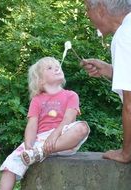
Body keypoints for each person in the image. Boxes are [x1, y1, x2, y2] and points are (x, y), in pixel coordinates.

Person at [0, 57, 90, 190]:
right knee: (9, 166)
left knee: (82, 127)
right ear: (40, 81)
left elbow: (68, 120)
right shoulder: (37, 100)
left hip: (62, 139)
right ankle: (36, 153)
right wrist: (29, 144)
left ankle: (40, 152)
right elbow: (32, 124)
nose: (56, 68)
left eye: (57, 66)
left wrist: (54, 136)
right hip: (39, 140)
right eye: (49, 68)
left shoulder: (71, 95)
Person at [81, 0, 131, 163]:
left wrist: (126, 153)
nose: (87, 15)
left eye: (87, 8)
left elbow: (130, 105)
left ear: (101, 8)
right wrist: (110, 70)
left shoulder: (124, 35)